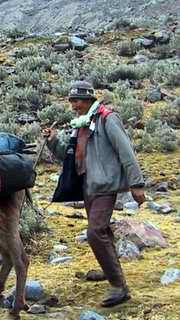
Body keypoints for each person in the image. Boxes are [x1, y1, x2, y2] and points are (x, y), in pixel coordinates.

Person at [43, 80, 145, 307]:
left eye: (77, 100)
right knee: (103, 232)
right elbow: (69, 156)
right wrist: (52, 141)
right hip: (89, 186)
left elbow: (125, 151)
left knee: (95, 232)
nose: (73, 105)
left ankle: (119, 286)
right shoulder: (81, 124)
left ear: (89, 99)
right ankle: (112, 273)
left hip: (104, 185)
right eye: (71, 101)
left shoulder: (107, 119)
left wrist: (136, 183)